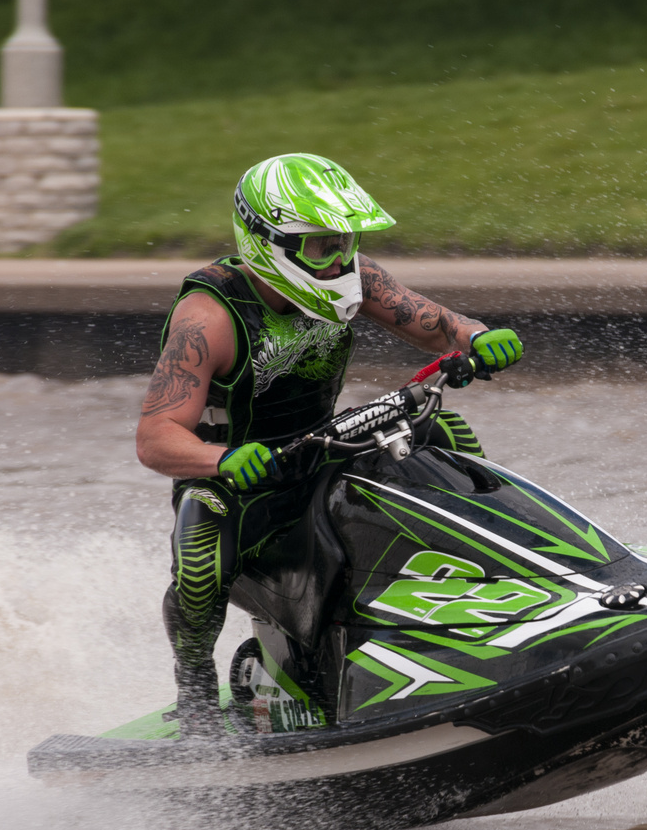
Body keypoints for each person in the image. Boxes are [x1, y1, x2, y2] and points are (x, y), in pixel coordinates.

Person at [134, 153, 524, 736]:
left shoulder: (355, 276)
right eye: (321, 245)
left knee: (446, 438)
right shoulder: (209, 317)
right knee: (198, 544)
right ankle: (194, 701)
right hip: (240, 479)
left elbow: (438, 324)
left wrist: (482, 337)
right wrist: (223, 460)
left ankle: (514, 595)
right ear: (269, 241)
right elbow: (155, 437)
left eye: (346, 240)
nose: (341, 257)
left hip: (323, 448)